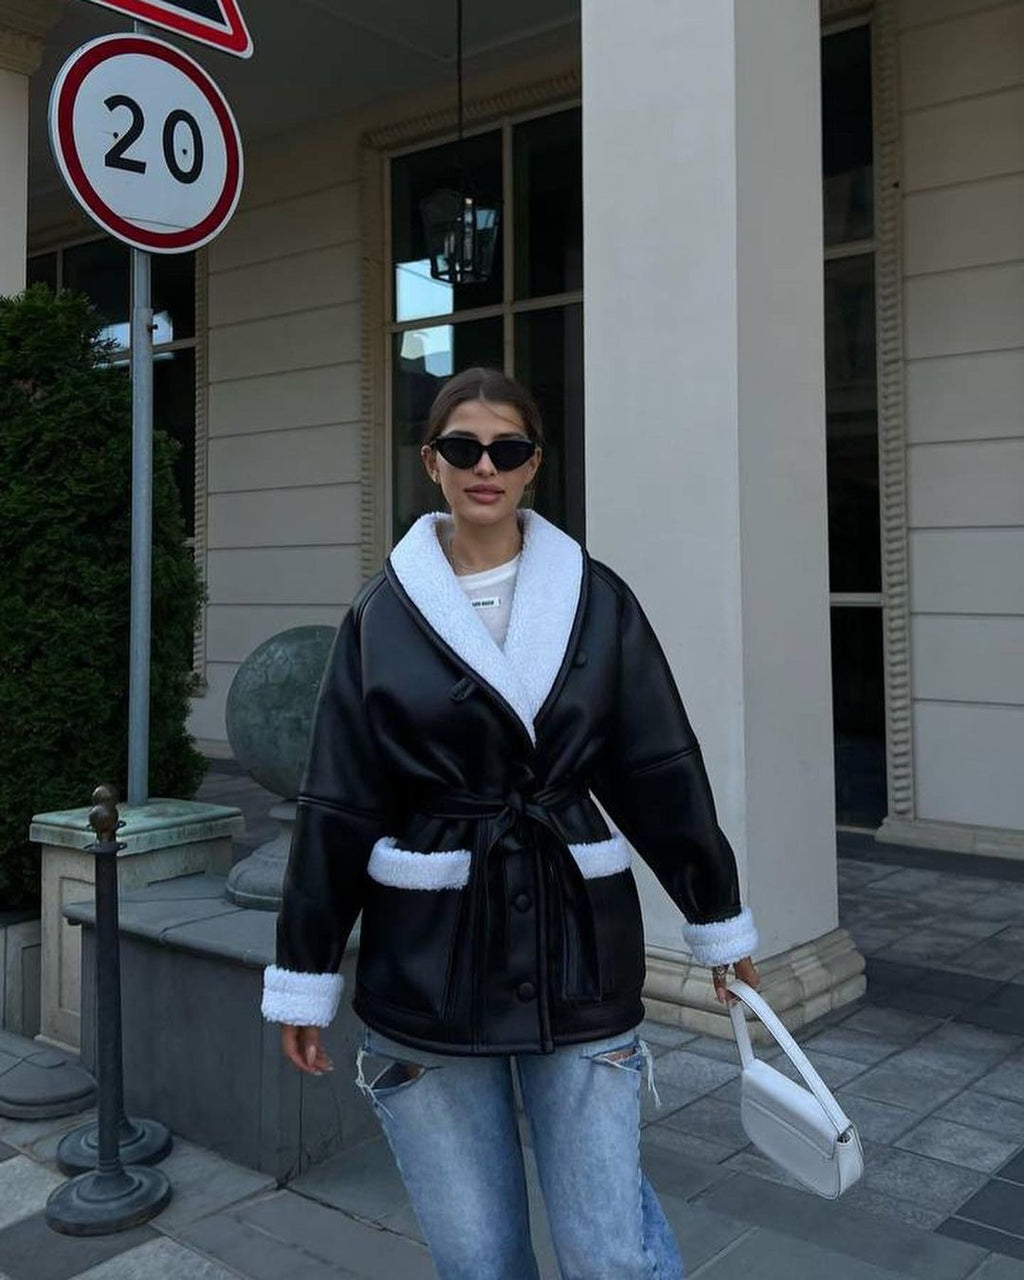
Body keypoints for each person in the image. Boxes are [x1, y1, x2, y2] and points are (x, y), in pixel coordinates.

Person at [261, 367, 760, 1279]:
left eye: (508, 448)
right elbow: (339, 800)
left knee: (608, 1255)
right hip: (430, 959)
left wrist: (718, 922)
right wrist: (305, 972)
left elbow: (658, 769)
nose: (484, 467)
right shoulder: (382, 613)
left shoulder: (597, 600)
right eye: (463, 448)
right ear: (431, 463)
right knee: (478, 1259)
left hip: (577, 947)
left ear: (534, 465)